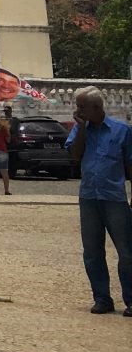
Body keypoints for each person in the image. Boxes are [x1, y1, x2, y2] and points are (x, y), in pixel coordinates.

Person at [64, 87, 131, 315]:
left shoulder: (122, 130)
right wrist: (81, 129)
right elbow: (75, 155)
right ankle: (102, 298)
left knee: (127, 251)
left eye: (82, 106)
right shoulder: (80, 130)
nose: (78, 110)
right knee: (92, 252)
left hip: (114, 197)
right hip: (89, 197)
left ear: (97, 108)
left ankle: (131, 299)